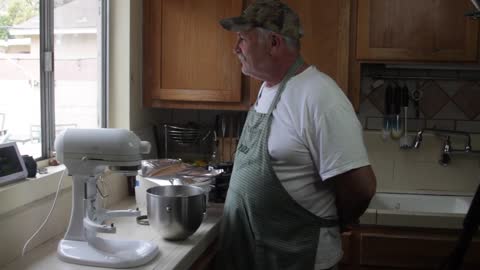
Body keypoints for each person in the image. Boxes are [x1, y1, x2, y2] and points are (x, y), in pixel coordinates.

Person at [215, 1, 377, 270]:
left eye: (243, 39)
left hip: (298, 256)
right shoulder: (268, 89)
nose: (236, 49)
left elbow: (361, 189)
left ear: (274, 43)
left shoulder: (320, 96)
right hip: (258, 254)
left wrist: (331, 223)